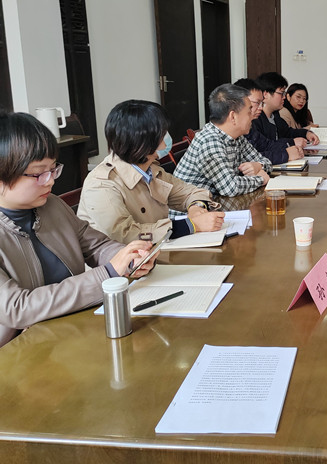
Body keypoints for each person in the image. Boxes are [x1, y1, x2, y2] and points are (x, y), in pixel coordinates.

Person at [0, 112, 156, 347]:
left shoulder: (52, 205)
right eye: (39, 173)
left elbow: (96, 245)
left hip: (68, 333)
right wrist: (108, 274)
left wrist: (130, 257)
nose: (50, 180)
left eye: (53, 169)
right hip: (17, 351)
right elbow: (17, 308)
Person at [78, 100, 224, 244]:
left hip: (156, 249)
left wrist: (196, 208)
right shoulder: (102, 183)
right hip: (126, 257)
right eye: (162, 133)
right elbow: (124, 234)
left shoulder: (150, 169)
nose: (167, 137)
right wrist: (191, 225)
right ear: (142, 141)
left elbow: (190, 192)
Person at [174, 83, 274, 196]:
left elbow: (267, 163)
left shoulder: (237, 137)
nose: (252, 116)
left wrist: (259, 166)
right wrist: (261, 179)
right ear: (233, 117)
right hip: (192, 205)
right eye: (248, 112)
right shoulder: (209, 142)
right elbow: (230, 187)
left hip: (217, 202)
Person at [233, 78, 304, 165]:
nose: (260, 108)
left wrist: (291, 148)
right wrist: (287, 154)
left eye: (261, 103)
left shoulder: (249, 128)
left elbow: (266, 146)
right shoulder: (234, 132)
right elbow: (249, 161)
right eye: (257, 103)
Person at [252, 72, 319, 146]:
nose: (284, 97)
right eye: (281, 93)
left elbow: (288, 132)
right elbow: (265, 146)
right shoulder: (255, 119)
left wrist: (306, 133)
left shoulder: (275, 115)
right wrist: (291, 142)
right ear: (266, 94)